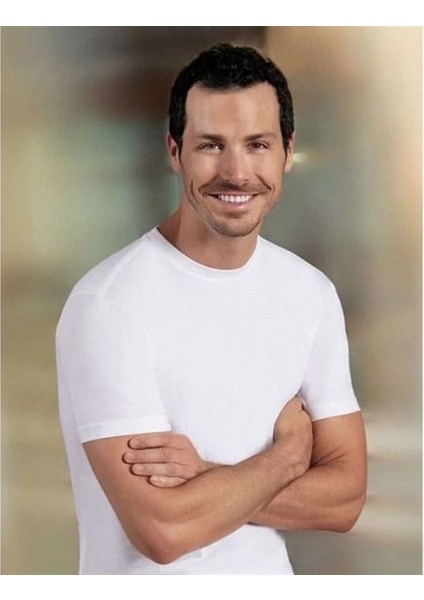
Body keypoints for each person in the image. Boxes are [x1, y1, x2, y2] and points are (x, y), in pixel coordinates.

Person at [55, 43, 367, 575]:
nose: (236, 172)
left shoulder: (309, 293)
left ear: (287, 152)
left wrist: (204, 474)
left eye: (258, 144)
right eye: (210, 145)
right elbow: (163, 530)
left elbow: (346, 498)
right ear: (174, 151)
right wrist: (287, 459)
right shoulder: (108, 306)